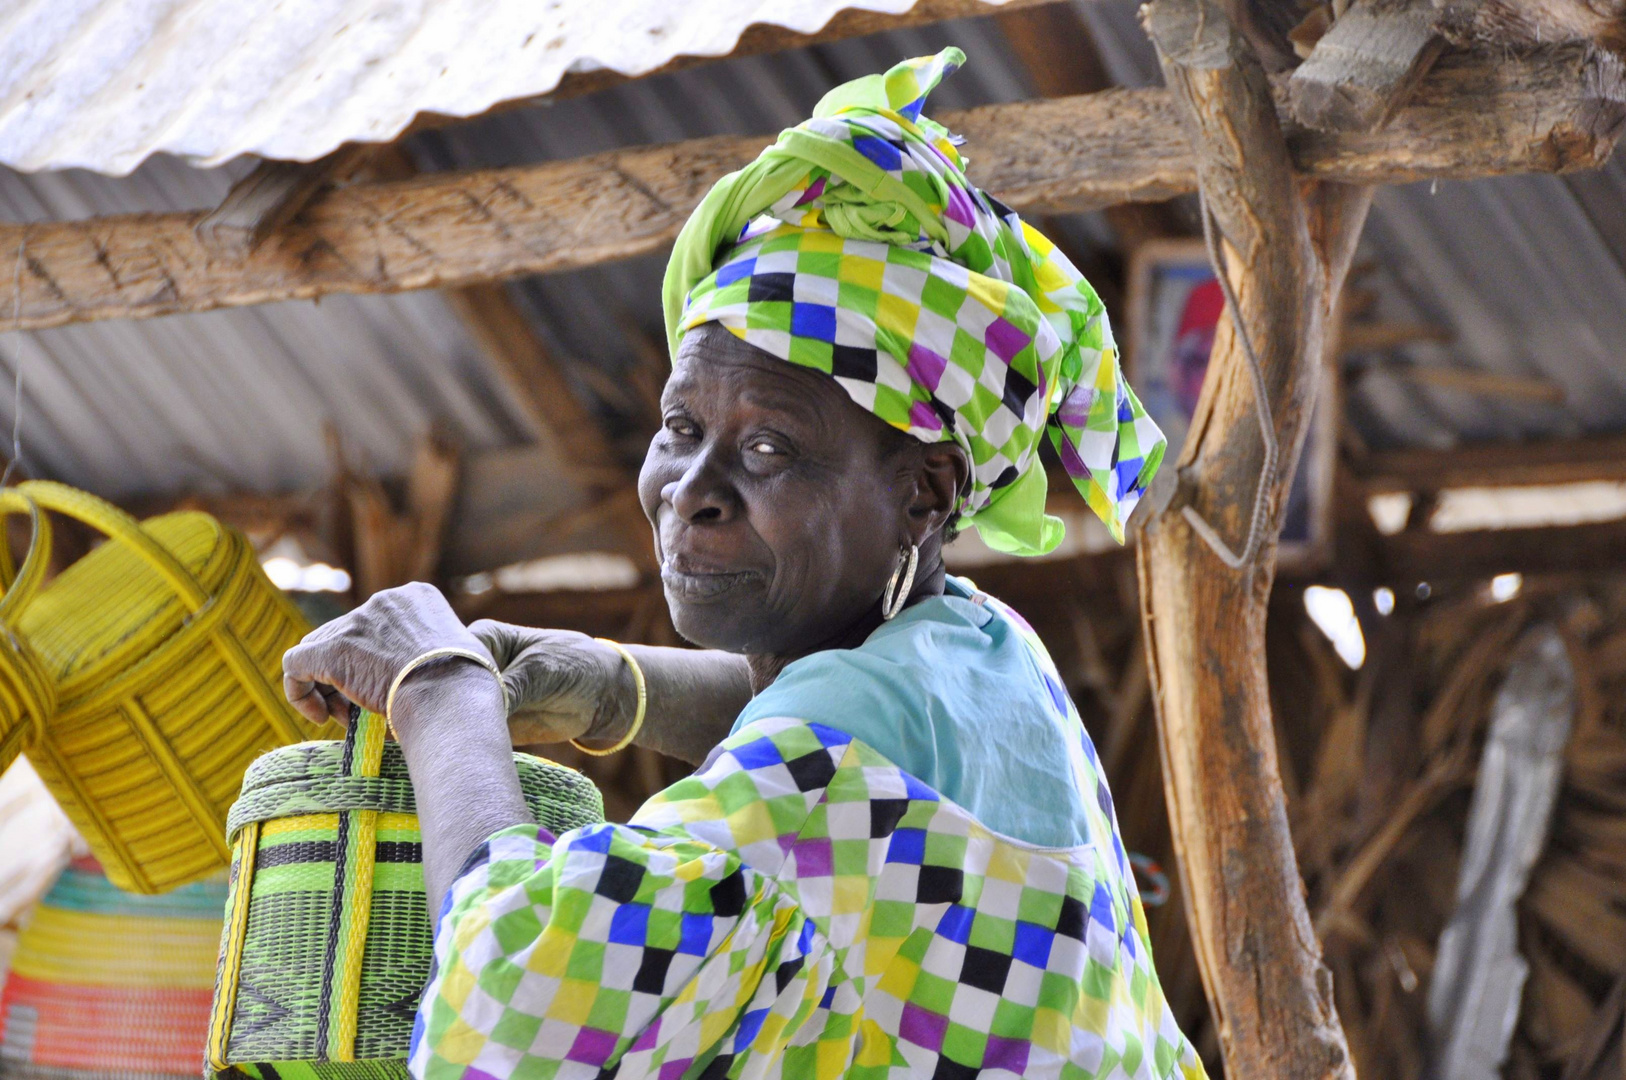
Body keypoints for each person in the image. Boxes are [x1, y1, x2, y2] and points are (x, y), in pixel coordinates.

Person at [283, 49, 1200, 1080]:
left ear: (925, 493)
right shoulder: (984, 653)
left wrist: (439, 691)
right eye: (681, 427)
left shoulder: (816, 787)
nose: (692, 488)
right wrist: (608, 683)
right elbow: (847, 742)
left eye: (770, 448)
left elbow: (503, 1013)